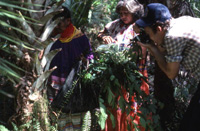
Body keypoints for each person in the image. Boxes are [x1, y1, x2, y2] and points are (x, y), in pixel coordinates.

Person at [134, 3, 200, 131]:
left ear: (158, 29)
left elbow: (171, 74)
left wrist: (153, 49)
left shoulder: (172, 36)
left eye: (149, 34)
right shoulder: (182, 21)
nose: (150, 39)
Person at [98, 0, 150, 130]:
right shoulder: (115, 25)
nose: (123, 16)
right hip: (115, 72)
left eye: (126, 13)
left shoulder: (140, 26)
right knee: (115, 103)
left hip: (134, 72)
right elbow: (101, 33)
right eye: (121, 13)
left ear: (134, 13)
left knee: (133, 104)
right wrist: (104, 37)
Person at [47, 7, 96, 131]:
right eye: (55, 21)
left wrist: (85, 60)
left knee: (75, 113)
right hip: (55, 83)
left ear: (68, 20)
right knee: (58, 114)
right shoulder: (51, 36)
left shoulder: (80, 38)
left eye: (59, 21)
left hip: (73, 83)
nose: (57, 25)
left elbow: (90, 56)